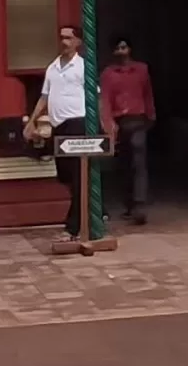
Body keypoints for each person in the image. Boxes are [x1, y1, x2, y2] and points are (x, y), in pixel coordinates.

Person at [24, 25, 87, 241]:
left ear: (77, 41)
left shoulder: (83, 66)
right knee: (66, 175)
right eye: (61, 37)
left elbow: (95, 95)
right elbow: (44, 97)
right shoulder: (52, 68)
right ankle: (93, 209)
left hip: (78, 123)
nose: (64, 42)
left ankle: (73, 227)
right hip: (59, 125)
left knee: (79, 175)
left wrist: (103, 124)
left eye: (68, 38)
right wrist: (31, 122)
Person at [99, 36, 156, 226]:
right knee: (124, 164)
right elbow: (105, 99)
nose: (121, 51)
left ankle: (139, 204)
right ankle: (130, 204)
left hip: (138, 119)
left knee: (139, 161)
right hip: (119, 122)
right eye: (118, 48)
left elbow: (147, 93)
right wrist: (108, 124)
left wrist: (151, 116)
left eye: (124, 47)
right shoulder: (108, 74)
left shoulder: (141, 69)